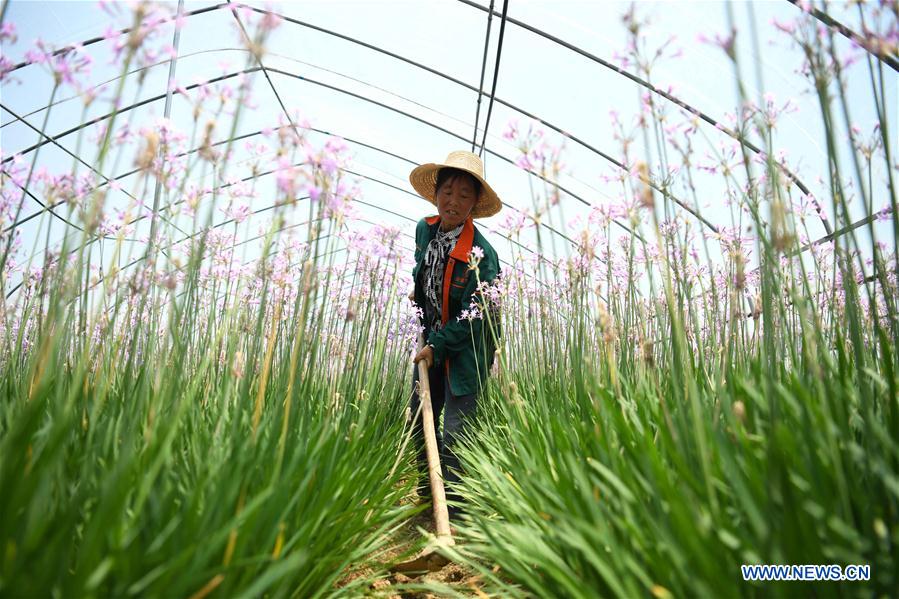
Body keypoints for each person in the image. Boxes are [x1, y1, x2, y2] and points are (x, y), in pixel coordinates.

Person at [408, 150, 502, 521]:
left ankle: (456, 510)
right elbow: (423, 266)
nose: (454, 201)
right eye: (448, 191)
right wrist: (421, 293)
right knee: (418, 417)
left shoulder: (483, 255)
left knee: (455, 431)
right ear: (436, 194)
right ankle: (427, 492)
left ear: (475, 204)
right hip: (431, 340)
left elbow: (474, 316)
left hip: (466, 350)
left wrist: (438, 345)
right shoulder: (425, 228)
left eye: (465, 195)